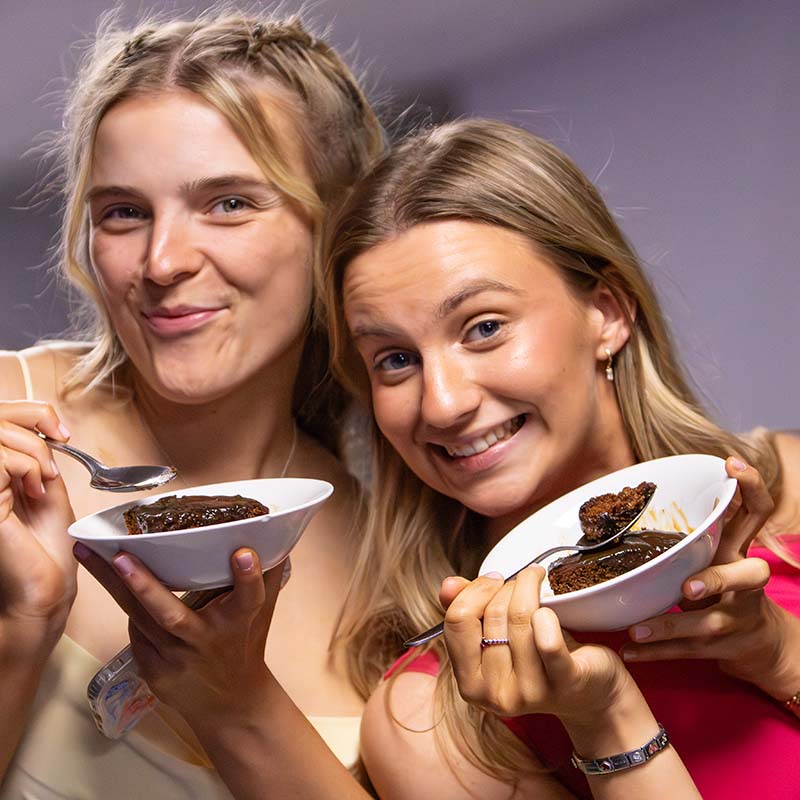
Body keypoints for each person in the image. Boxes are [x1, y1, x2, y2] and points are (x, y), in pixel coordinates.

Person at [67, 120, 799, 799]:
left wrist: (778, 653)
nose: (442, 403)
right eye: (394, 359)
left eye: (483, 327)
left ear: (605, 312)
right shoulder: (435, 720)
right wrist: (602, 716)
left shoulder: (788, 488)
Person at [0, 7, 384, 799]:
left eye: (230, 203)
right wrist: (21, 629)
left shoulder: (402, 548)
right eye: (123, 213)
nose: (162, 261)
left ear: (337, 227)